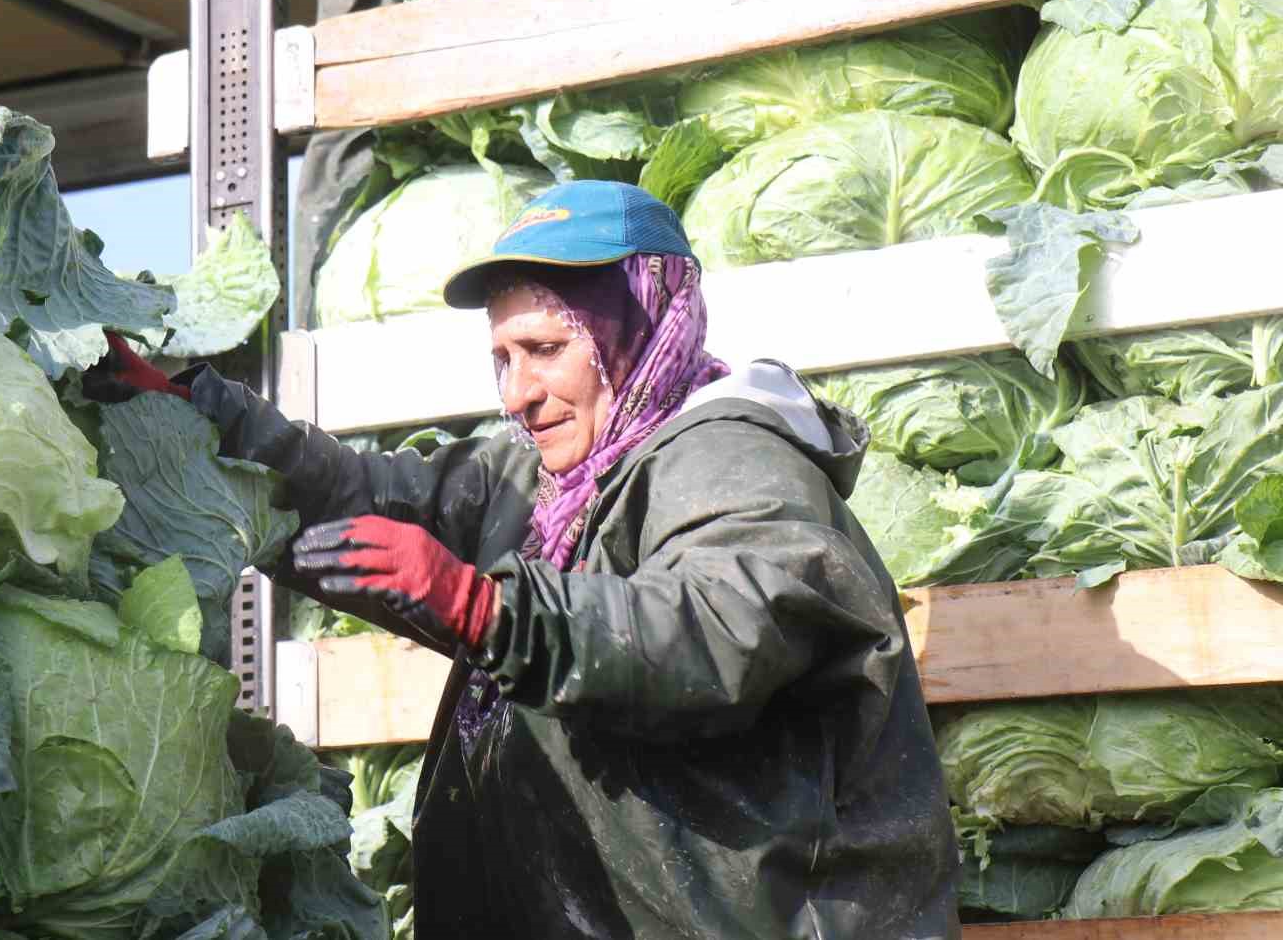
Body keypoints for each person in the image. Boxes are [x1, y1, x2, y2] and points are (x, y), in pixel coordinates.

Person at [87, 180, 961, 939]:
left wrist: (491, 611)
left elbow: (713, 633)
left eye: (546, 349)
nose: (518, 394)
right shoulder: (546, 481)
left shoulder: (732, 461)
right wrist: (203, 419)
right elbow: (364, 496)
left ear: (644, 322)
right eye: (501, 359)